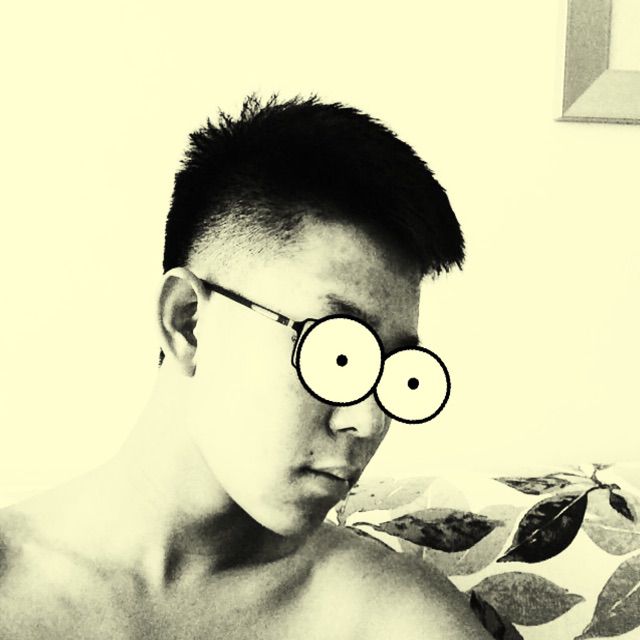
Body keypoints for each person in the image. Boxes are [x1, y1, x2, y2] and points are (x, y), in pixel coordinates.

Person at [0, 95, 491, 639]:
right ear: (188, 322)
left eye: (397, 369)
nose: (370, 421)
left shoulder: (392, 617)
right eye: (339, 355)